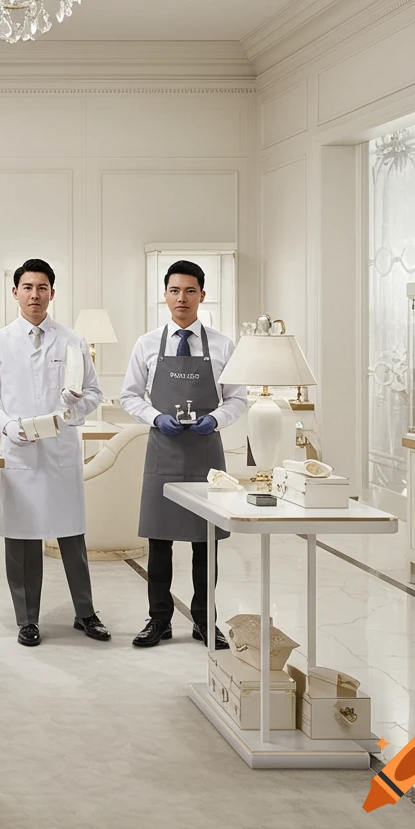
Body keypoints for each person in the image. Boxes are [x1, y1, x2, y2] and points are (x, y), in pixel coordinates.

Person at [0, 259, 110, 646]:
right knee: (22, 537)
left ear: (52, 293)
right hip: (21, 451)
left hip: (60, 449)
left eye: (42, 288)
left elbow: (94, 393)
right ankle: (27, 619)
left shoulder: (72, 340)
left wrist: (75, 407)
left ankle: (85, 613)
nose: (35, 295)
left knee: (72, 536)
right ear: (15, 292)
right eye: (28, 287)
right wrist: (6, 425)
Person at [120, 259, 247, 649]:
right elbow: (129, 396)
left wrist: (216, 420)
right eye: (174, 290)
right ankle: (158, 620)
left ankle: (204, 622)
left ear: (202, 296)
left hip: (205, 456)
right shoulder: (146, 344)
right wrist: (156, 418)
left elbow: (238, 399)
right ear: (165, 295)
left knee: (204, 542)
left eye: (190, 291)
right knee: (159, 541)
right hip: (163, 452)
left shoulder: (223, 345)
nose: (182, 298)